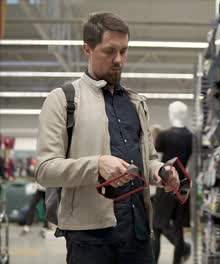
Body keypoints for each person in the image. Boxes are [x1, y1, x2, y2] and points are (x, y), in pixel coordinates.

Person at [35, 12, 179, 264]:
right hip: (90, 239)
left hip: (139, 234)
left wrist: (160, 171)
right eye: (110, 51)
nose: (119, 60)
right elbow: (45, 170)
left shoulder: (136, 103)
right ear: (86, 49)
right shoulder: (63, 100)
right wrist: (97, 165)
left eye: (124, 51)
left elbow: (149, 159)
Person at [152, 101, 193, 264]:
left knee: (157, 226)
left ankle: (153, 260)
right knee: (179, 227)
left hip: (167, 180)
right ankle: (178, 261)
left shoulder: (164, 135)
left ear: (172, 114)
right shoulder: (192, 137)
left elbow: (158, 150)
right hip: (183, 183)